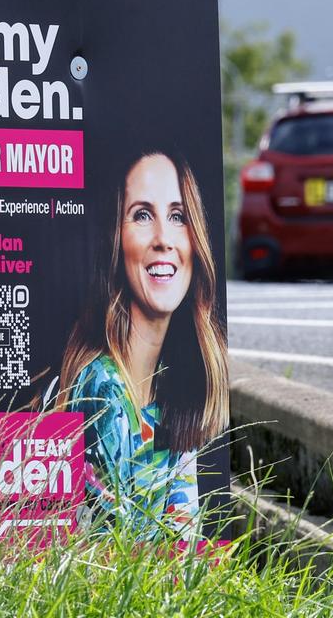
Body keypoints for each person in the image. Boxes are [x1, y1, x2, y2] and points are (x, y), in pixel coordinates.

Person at [52, 151, 228, 539]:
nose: (164, 239)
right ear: (116, 239)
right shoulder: (102, 387)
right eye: (142, 215)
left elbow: (184, 537)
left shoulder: (174, 386)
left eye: (178, 216)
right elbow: (116, 567)